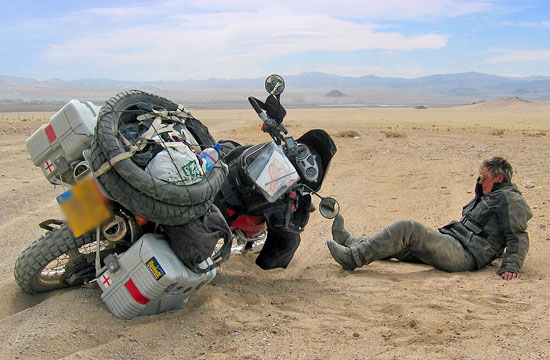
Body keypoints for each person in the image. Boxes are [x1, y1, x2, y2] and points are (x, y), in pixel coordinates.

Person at [326, 157, 532, 280]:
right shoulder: (491, 195)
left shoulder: (510, 200)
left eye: (483, 178)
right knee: (400, 244)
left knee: (408, 228)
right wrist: (481, 190)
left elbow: (518, 235)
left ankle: (352, 259)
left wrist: (511, 266)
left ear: (499, 178)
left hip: (464, 255)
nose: (479, 181)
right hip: (454, 242)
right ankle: (350, 242)